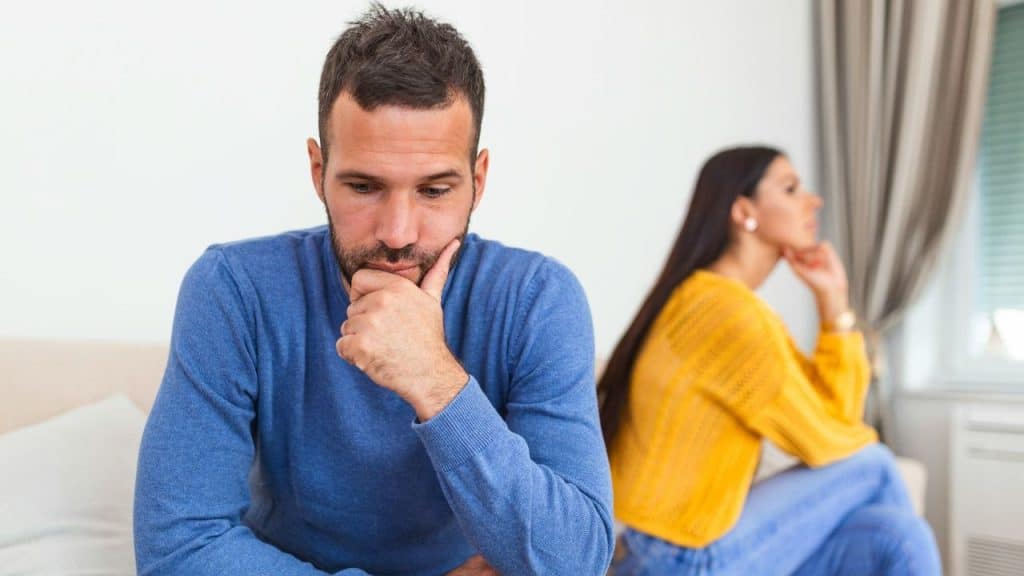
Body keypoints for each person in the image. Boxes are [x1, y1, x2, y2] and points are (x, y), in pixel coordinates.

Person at [133, 5, 613, 575]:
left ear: (478, 181)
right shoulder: (235, 291)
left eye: (435, 191)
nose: (398, 233)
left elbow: (576, 561)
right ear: (318, 170)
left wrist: (435, 381)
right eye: (363, 186)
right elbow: (177, 548)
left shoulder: (538, 301)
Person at [599, 146, 941, 575]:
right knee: (875, 464)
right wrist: (834, 310)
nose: (813, 201)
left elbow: (836, 423)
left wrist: (835, 306)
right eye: (791, 189)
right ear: (744, 212)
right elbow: (830, 440)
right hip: (675, 559)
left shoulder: (715, 300)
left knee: (901, 535)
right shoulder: (726, 312)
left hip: (661, 552)